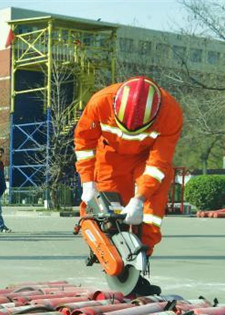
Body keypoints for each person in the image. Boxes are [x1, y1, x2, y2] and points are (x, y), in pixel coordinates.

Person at [74, 76, 183, 295]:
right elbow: (84, 143)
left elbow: (158, 163)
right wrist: (87, 182)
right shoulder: (100, 102)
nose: (128, 135)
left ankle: (137, 270)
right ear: (114, 106)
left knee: (150, 214)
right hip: (110, 156)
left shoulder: (171, 113)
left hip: (147, 157)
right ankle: (112, 254)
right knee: (108, 210)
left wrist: (140, 198)